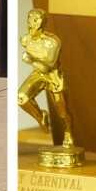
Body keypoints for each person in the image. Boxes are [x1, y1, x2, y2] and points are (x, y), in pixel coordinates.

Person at [17, 9, 75, 148]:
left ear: (41, 23)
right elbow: (40, 69)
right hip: (39, 75)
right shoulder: (26, 40)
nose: (31, 22)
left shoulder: (52, 42)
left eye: (35, 20)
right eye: (29, 18)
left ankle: (68, 132)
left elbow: (47, 66)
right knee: (21, 97)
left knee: (63, 112)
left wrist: (30, 59)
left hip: (54, 77)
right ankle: (41, 117)